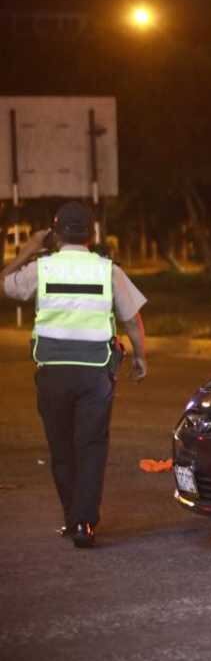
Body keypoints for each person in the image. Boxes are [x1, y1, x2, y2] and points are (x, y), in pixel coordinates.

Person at [1, 201, 148, 548]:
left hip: (52, 372)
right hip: (95, 373)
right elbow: (132, 320)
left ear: (55, 233)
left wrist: (27, 250)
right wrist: (140, 356)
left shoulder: (42, 269)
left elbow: (4, 284)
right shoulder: (107, 271)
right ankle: (84, 522)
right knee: (91, 446)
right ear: (92, 234)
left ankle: (73, 519)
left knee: (62, 448)